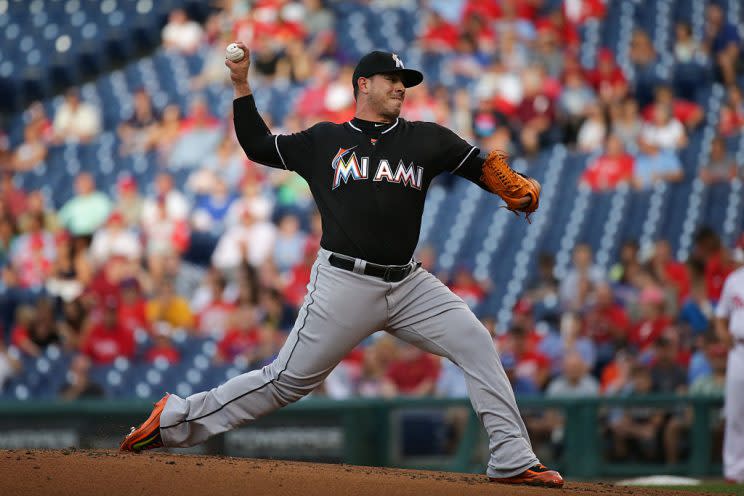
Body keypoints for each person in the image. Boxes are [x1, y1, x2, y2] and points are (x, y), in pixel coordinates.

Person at [120, 46, 562, 488]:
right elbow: (257, 146)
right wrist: (241, 85)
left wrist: (513, 183)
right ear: (363, 85)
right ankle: (174, 420)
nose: (400, 87)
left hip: (409, 285)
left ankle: (511, 458)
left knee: (476, 342)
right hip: (343, 283)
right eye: (392, 79)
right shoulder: (324, 140)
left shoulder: (427, 138)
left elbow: (484, 168)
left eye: (404, 81)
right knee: (286, 381)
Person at [714, 247, 744, 483]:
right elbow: (721, 314)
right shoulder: (734, 280)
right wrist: (723, 333)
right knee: (735, 411)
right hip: (739, 350)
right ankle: (733, 471)